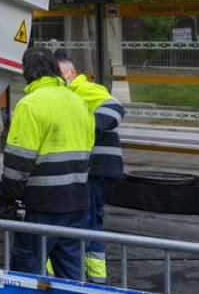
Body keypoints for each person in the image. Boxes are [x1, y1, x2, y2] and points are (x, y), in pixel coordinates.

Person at [0, 47, 94, 280]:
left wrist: (6, 197)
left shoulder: (30, 105)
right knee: (72, 277)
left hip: (42, 206)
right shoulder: (78, 102)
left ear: (27, 73)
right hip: (77, 201)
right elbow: (88, 151)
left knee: (26, 275)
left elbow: (18, 163)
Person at [56, 48, 124, 284]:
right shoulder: (70, 92)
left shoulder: (83, 88)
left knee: (83, 221)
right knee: (91, 221)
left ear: (72, 73)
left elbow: (115, 108)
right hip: (101, 169)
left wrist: (84, 127)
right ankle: (95, 279)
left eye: (61, 75)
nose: (59, 81)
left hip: (97, 168)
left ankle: (85, 281)